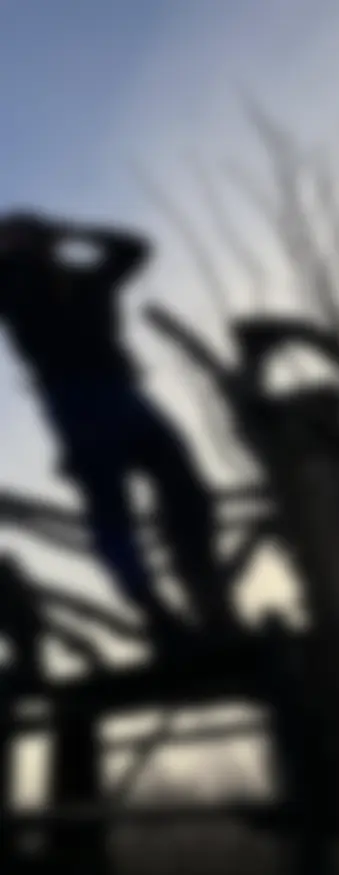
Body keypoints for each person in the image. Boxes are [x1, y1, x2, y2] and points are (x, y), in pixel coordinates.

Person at [0, 210, 235, 653]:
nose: (15, 242)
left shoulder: (87, 281)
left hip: (122, 394)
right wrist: (21, 253)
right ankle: (156, 614)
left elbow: (135, 248)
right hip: (73, 401)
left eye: (22, 234)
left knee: (186, 491)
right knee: (112, 512)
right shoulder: (9, 285)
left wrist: (74, 231)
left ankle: (207, 597)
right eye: (8, 237)